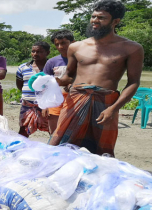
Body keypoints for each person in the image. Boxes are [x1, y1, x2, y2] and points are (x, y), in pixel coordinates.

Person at [49, 0, 144, 157]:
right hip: (75, 99)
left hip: (106, 102)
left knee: (102, 150)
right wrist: (53, 82)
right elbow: (69, 76)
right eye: (93, 16)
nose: (95, 21)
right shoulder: (76, 47)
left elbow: (133, 82)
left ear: (116, 21)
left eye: (101, 18)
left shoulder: (131, 48)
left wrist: (113, 109)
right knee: (60, 144)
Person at [42, 30, 75, 134]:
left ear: (73, 42)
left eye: (63, 43)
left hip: (76, 99)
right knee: (54, 131)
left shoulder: (82, 60)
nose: (60, 47)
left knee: (73, 131)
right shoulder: (52, 62)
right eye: (57, 44)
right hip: (54, 99)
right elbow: (45, 85)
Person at [16, 41, 51, 137]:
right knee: (23, 130)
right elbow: (20, 85)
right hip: (27, 104)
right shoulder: (23, 67)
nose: (35, 54)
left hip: (47, 105)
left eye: (39, 52)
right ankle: (19, 150)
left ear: (47, 53)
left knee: (52, 130)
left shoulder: (52, 67)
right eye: (33, 51)